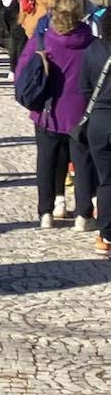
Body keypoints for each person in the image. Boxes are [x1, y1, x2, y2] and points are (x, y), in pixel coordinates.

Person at [17, 0, 95, 230]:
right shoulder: (91, 44)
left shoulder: (43, 40)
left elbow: (22, 71)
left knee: (47, 162)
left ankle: (46, 212)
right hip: (81, 112)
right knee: (83, 164)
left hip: (48, 110)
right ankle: (83, 215)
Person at [78, 20, 111, 256]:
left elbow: (84, 87)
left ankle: (105, 235)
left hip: (99, 121)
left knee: (106, 181)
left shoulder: (94, 49)